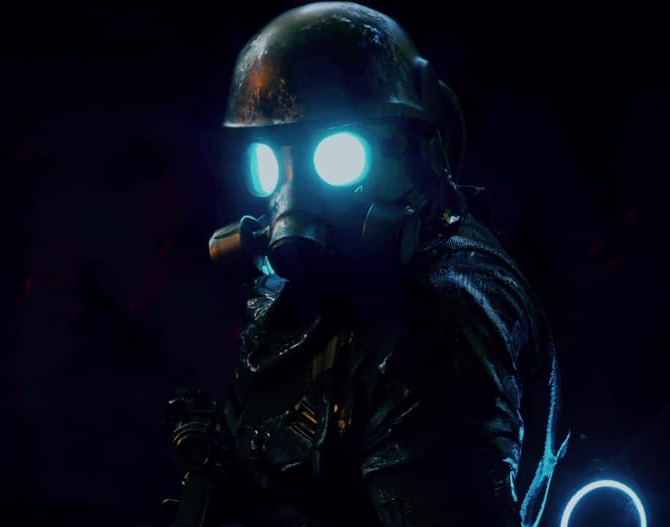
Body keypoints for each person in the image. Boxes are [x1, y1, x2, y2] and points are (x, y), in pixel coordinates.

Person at [166, 3, 568, 526]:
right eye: (270, 162)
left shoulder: (442, 314)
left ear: (413, 145)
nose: (292, 200)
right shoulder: (333, 288)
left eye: (334, 157)